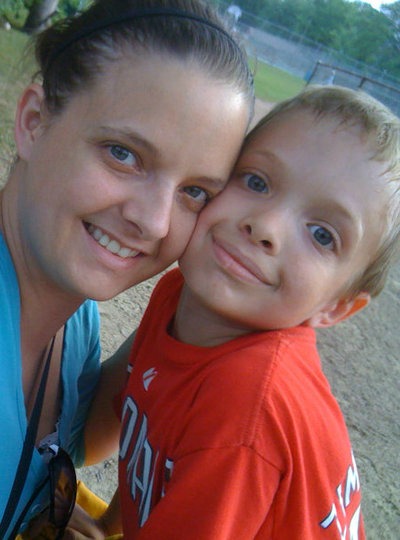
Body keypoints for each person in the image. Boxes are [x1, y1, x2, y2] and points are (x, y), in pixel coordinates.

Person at [70, 85, 400, 539]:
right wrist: (106, 527)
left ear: (338, 305)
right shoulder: (179, 292)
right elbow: (149, 444)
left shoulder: (246, 405)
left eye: (322, 235)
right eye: (257, 181)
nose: (265, 226)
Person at [0, 0, 254, 536]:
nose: (155, 221)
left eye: (194, 191)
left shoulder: (76, 321)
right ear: (34, 122)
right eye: (123, 153)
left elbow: (69, 439)